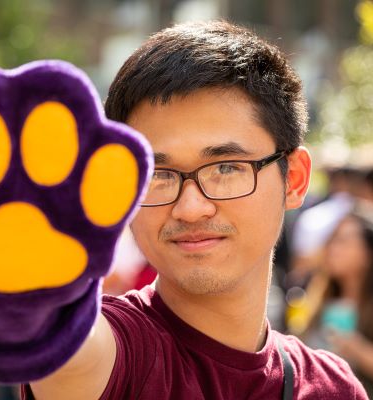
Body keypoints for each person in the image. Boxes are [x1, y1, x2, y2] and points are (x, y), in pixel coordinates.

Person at [22, 21, 366, 399]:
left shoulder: (330, 388)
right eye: (158, 174)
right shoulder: (120, 351)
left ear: (295, 179)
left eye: (226, 168)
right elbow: (69, 349)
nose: (190, 208)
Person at [302, 208, 373, 396]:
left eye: (343, 241)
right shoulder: (318, 299)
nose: (332, 249)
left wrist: (356, 349)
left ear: (368, 253)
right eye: (332, 240)